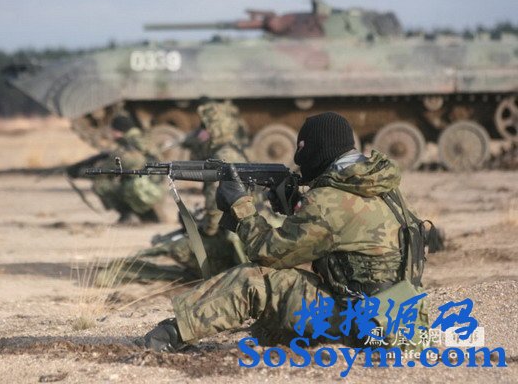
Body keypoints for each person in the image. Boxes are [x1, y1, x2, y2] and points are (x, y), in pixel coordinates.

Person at [143, 112, 430, 352]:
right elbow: (346, 236)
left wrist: (241, 207)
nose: (300, 162)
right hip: (403, 321)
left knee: (257, 280)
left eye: (303, 150)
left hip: (364, 325)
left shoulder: (329, 201)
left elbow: (268, 252)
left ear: (318, 149)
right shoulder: (379, 186)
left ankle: (169, 336)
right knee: (275, 314)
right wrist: (297, 209)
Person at [95, 99, 253, 286]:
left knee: (179, 249)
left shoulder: (222, 156)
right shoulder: (231, 149)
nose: (200, 133)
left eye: (205, 128)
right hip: (241, 231)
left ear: (215, 129)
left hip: (234, 237)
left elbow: (214, 211)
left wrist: (206, 230)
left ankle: (222, 272)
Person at [67, 114, 164, 224]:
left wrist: (77, 171)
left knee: (101, 184)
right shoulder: (146, 142)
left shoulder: (125, 150)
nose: (111, 134)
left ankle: (127, 214)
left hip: (143, 192)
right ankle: (149, 214)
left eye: (112, 130)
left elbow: (102, 171)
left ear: (118, 131)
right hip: (159, 191)